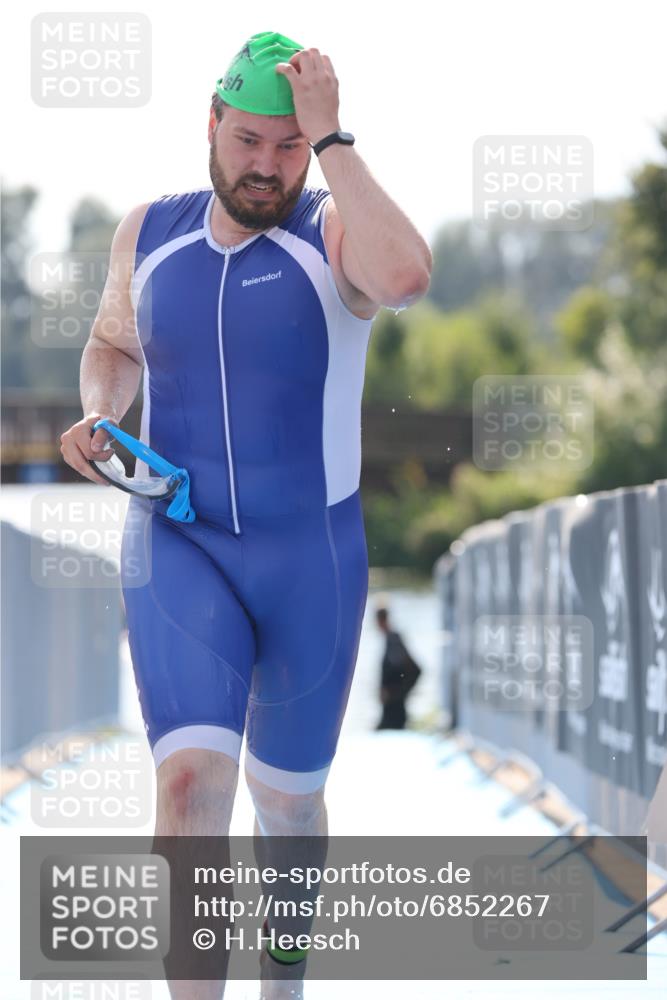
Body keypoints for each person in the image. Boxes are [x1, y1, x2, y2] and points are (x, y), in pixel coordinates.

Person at [60, 30, 432, 999]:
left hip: (312, 558)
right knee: (188, 792)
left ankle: (284, 977)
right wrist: (101, 413)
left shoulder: (330, 235)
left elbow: (404, 276)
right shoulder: (149, 234)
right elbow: (111, 339)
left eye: (288, 147)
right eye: (250, 142)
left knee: (289, 808)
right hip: (180, 542)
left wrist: (337, 139)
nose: (267, 167)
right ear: (212, 125)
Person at [375, 605, 423, 730]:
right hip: (389, 709)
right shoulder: (389, 640)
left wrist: (395, 693)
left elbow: (416, 670)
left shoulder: (394, 641)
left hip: (395, 711)